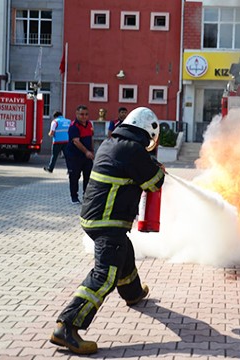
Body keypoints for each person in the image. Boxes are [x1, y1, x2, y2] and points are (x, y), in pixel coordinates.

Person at [50, 107, 164, 355]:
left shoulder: (112, 143)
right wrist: (156, 167)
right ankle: (66, 327)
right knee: (105, 274)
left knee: (124, 251)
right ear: (148, 132)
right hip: (107, 223)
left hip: (95, 219)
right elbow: (155, 181)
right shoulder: (133, 150)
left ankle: (133, 293)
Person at [65, 105, 94, 204]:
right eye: (81, 114)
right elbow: (76, 142)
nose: (84, 116)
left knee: (88, 175)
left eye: (86, 114)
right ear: (76, 114)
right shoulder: (74, 126)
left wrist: (92, 151)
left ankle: (86, 196)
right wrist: (87, 152)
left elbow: (91, 138)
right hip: (74, 156)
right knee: (74, 176)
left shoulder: (89, 124)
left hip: (86, 156)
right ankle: (74, 197)